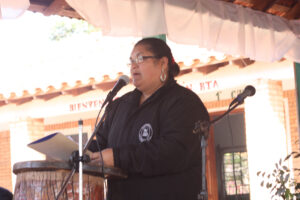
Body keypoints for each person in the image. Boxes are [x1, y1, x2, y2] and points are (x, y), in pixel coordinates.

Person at [90, 37, 210, 200]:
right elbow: (100, 143)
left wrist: (118, 157)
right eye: (131, 61)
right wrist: (78, 153)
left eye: (140, 58)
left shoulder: (184, 102)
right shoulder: (120, 105)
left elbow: (173, 152)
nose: (133, 66)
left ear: (163, 63)